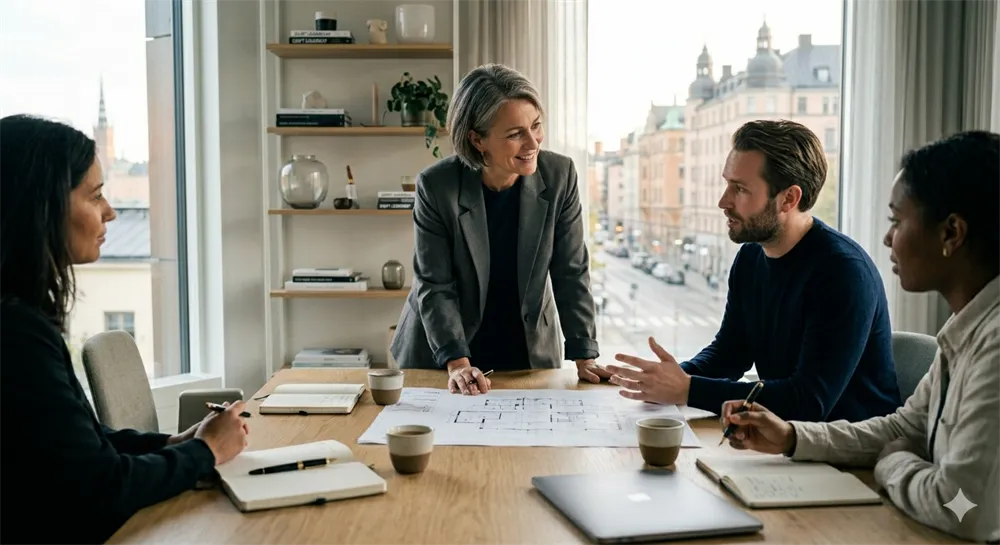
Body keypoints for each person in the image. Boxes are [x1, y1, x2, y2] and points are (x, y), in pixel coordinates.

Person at [716, 131, 1000, 543]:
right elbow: (902, 428)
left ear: (951, 233)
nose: (887, 238)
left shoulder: (994, 348)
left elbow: (964, 508)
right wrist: (792, 437)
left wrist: (892, 464)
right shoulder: (966, 332)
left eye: (897, 221)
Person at [0, 114, 249, 544]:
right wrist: (206, 450)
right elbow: (101, 487)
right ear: (40, 205)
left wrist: (172, 443)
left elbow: (81, 443)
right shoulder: (15, 334)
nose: (110, 212)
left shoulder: (21, 316)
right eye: (95, 195)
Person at [607, 120, 902, 421]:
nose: (723, 201)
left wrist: (688, 389)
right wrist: (659, 379)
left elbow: (808, 401)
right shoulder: (751, 256)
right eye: (727, 184)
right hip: (786, 437)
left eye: (740, 189)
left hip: (851, 443)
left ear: (789, 199)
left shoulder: (843, 273)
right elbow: (729, 354)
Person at [389, 64, 606, 394]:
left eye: (536, 126)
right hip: (444, 353)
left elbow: (571, 270)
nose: (533, 143)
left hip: (528, 348)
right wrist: (457, 363)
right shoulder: (436, 186)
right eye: (515, 134)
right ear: (478, 139)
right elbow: (435, 284)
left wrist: (584, 353)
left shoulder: (560, 174)